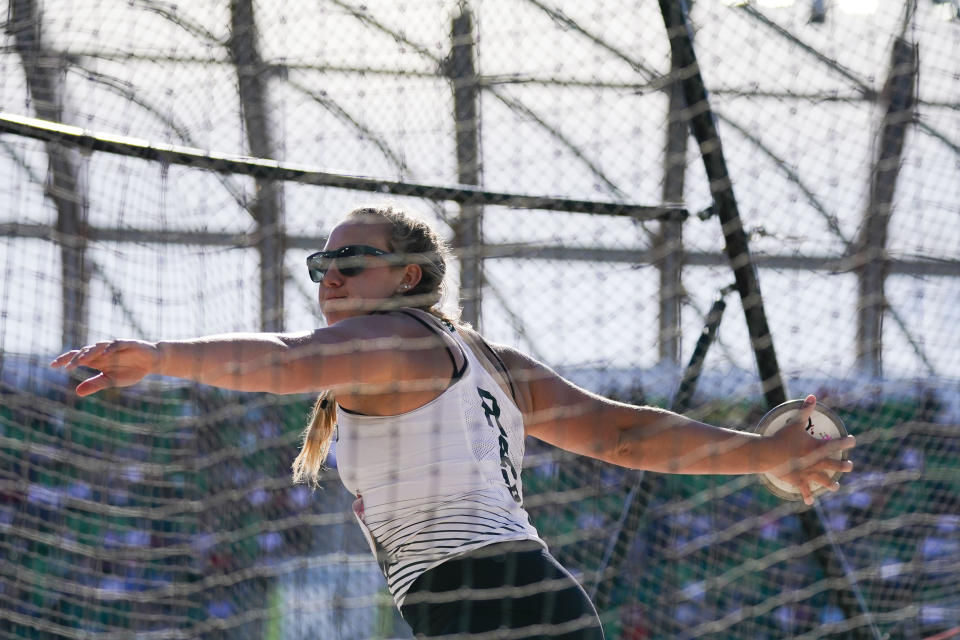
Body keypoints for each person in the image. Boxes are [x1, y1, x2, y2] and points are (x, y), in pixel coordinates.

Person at [51, 204, 856, 639]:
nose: (329, 276)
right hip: (523, 596)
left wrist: (158, 353)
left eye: (349, 262)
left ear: (407, 275)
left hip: (486, 597)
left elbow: (284, 361)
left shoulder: (391, 341)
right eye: (320, 264)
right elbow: (624, 436)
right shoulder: (486, 358)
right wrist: (754, 452)